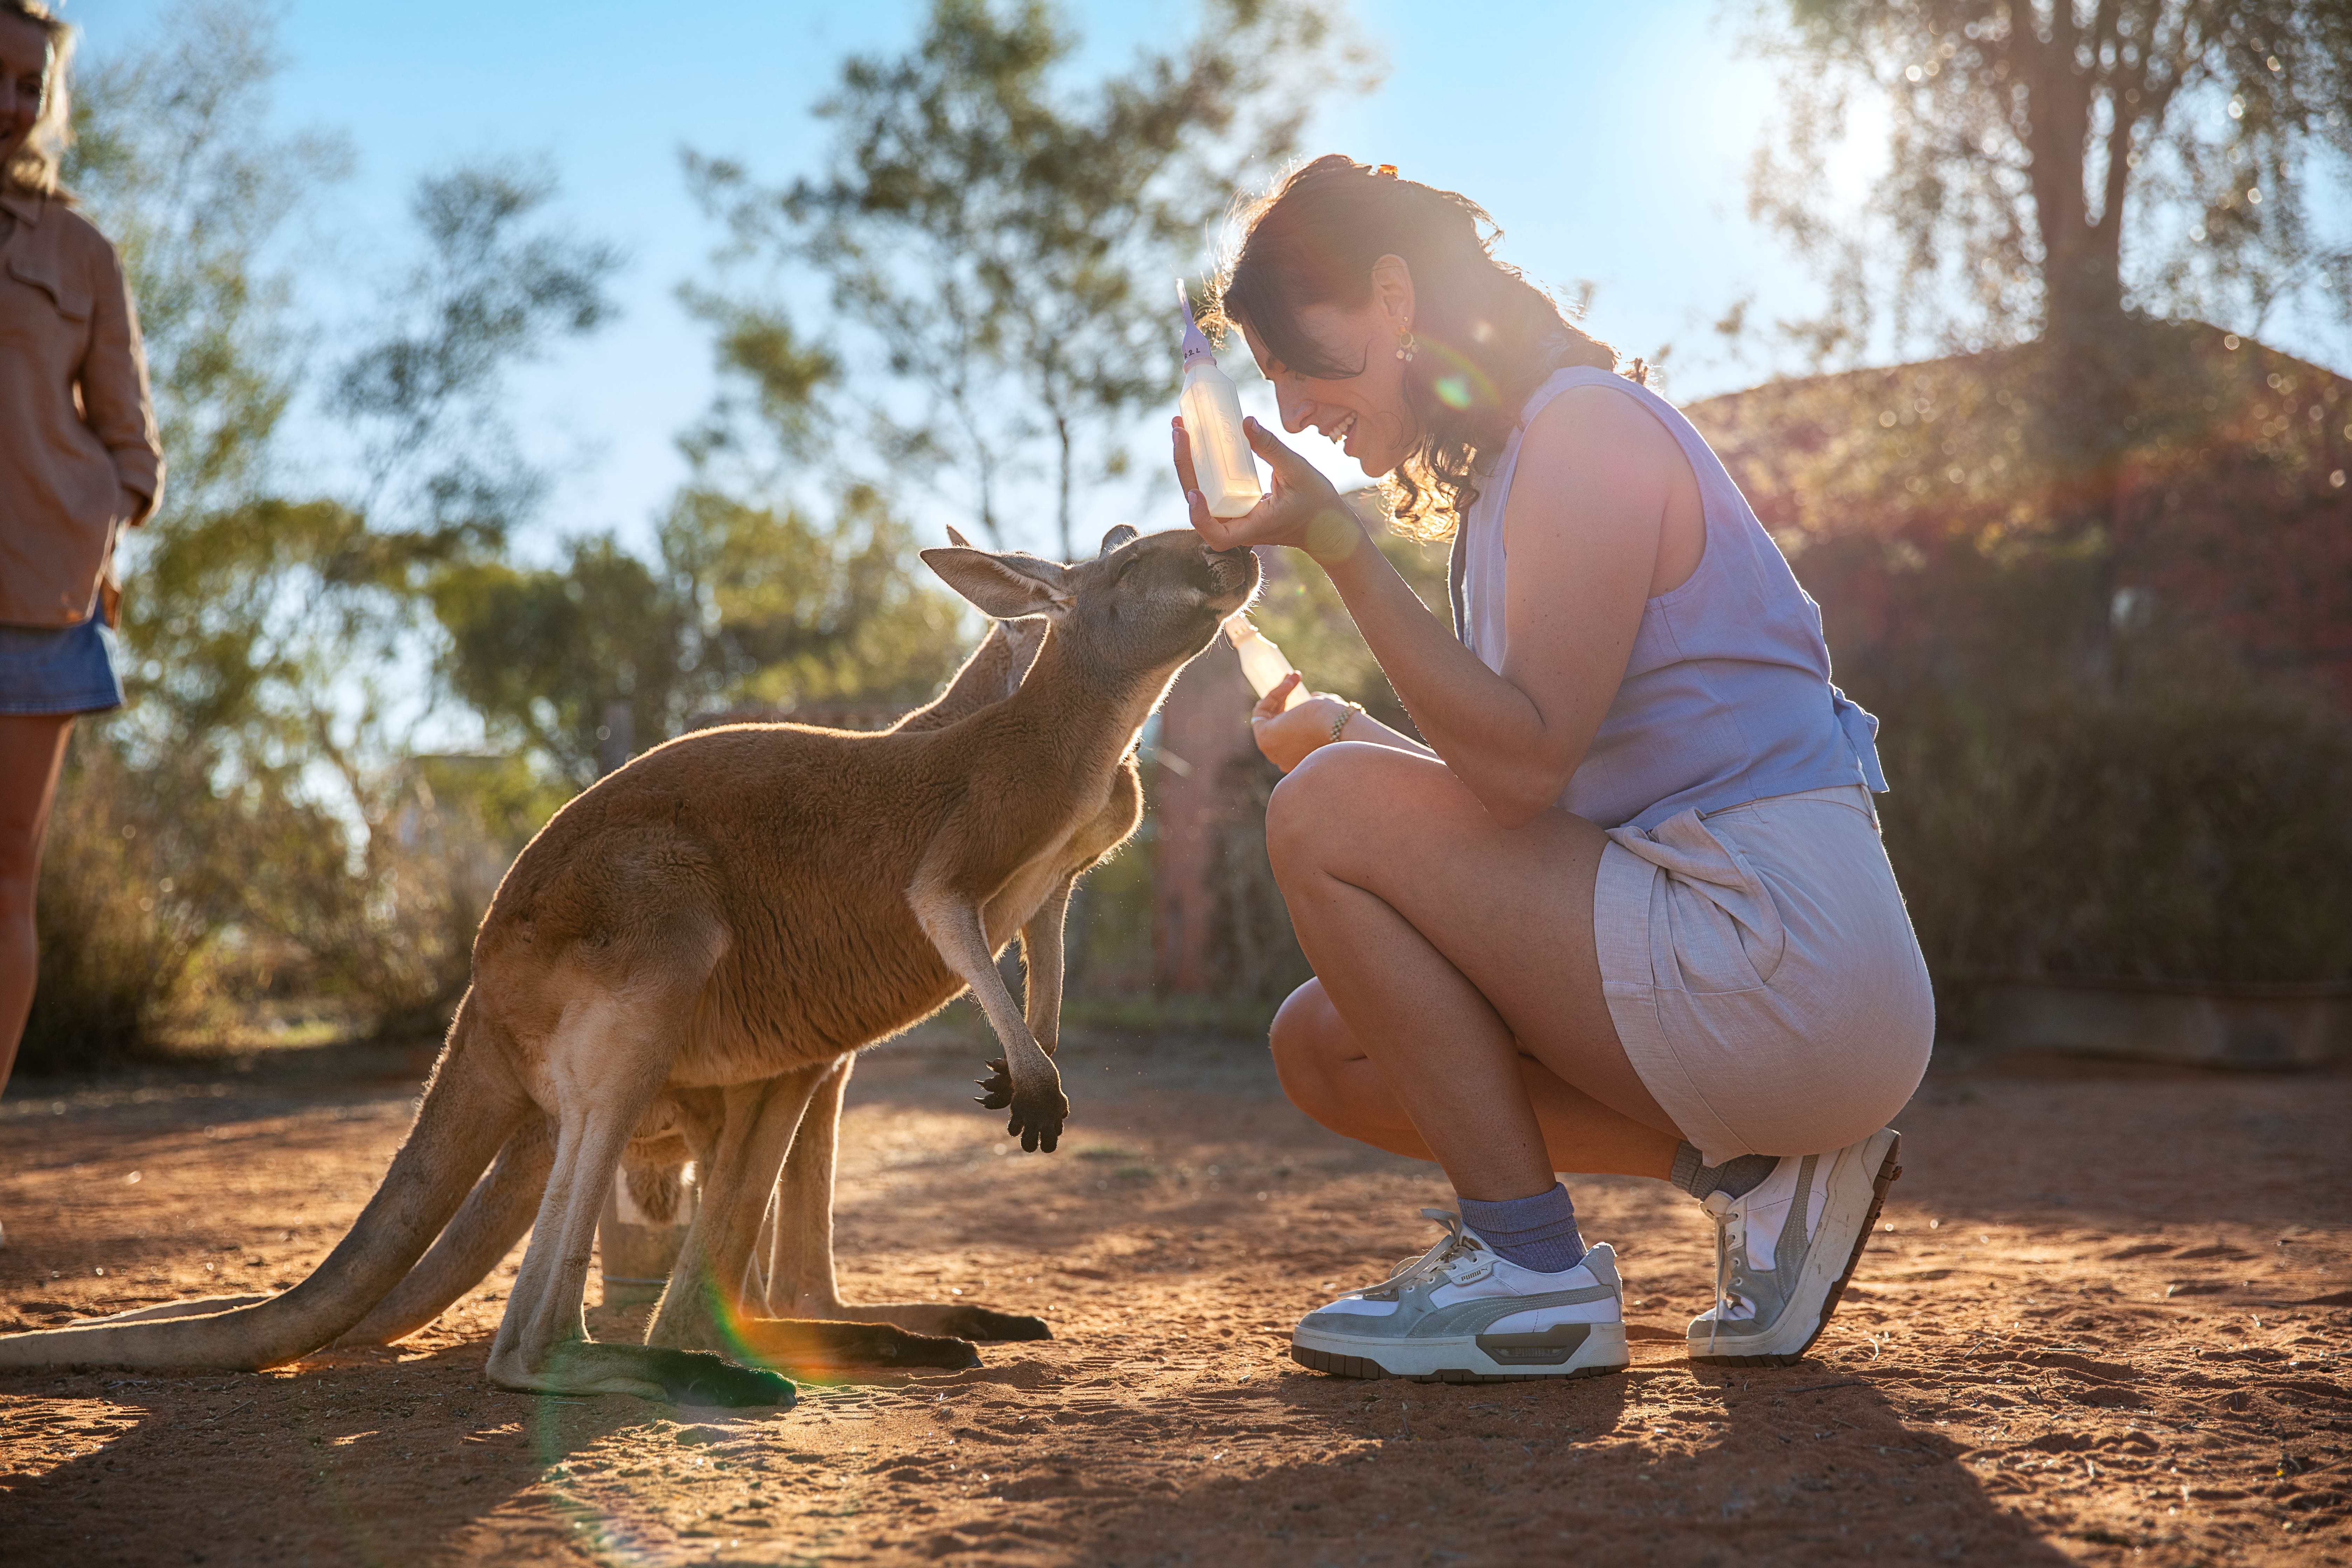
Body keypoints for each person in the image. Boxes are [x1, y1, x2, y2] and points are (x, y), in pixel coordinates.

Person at [1171, 156, 1931, 1380]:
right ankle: (1760, 1175)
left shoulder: (1586, 427)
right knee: (1330, 1047)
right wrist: (1355, 741)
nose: (1300, 412)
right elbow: (1529, 785)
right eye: (1273, 386)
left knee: (1322, 818)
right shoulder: (1512, 478)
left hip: (1782, 952)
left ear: (1396, 297)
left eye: (1309, 366)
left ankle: (1530, 1275)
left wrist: (1335, 545)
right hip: (1705, 933)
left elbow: (1520, 777)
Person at [0, 0, 164, 1104]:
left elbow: (131, 445)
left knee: (7, 878)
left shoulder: (81, 251)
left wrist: (94, 523)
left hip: (38, 601)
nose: (14, 103)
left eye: (30, 86)